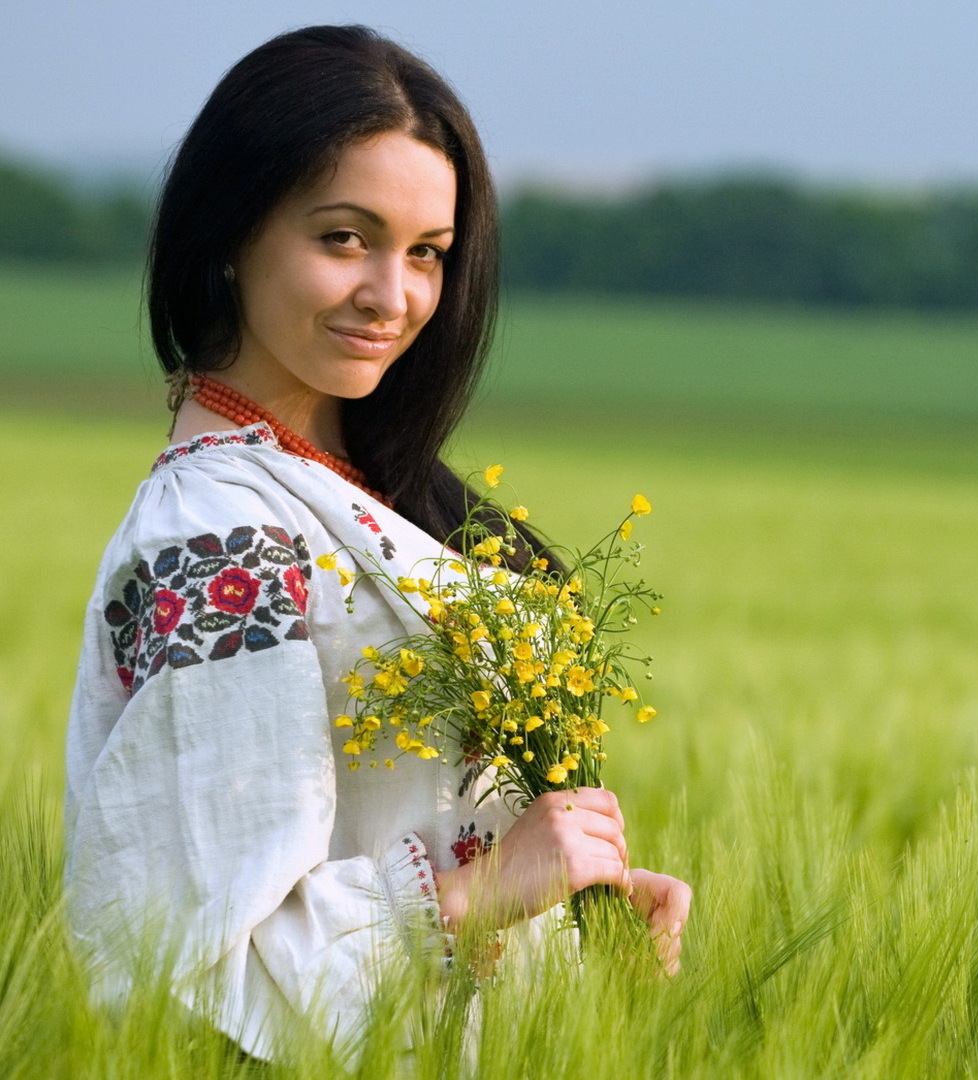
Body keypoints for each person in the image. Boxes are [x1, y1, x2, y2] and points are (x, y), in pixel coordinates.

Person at [62, 24, 691, 1062]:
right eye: (343, 238)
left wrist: (583, 916)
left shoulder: (374, 490)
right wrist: (484, 893)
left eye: (427, 255)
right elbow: (189, 955)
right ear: (231, 232)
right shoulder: (222, 539)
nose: (392, 298)